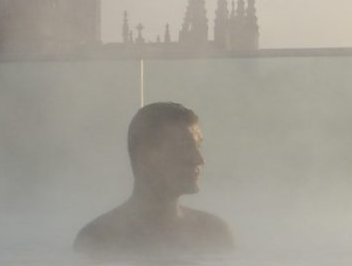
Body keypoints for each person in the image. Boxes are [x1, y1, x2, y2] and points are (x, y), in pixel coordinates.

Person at [75, 102, 234, 256]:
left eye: (198, 146)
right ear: (145, 156)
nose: (199, 159)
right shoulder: (100, 238)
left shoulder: (212, 233)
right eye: (185, 147)